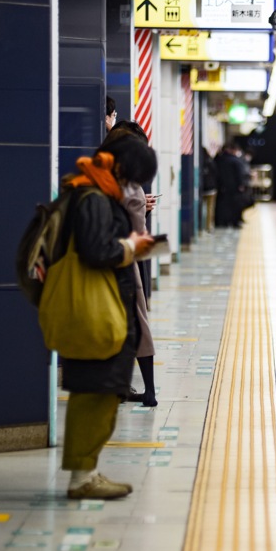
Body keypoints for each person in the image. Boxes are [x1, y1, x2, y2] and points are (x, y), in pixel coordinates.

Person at [58, 133, 157, 499]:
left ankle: (87, 471)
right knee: (93, 393)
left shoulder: (94, 191)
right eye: (133, 177)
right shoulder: (93, 198)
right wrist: (132, 246)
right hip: (94, 306)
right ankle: (82, 478)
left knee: (98, 392)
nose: (134, 186)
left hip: (101, 303)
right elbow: (97, 250)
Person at [105, 120, 158, 407]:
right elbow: (139, 235)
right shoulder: (132, 186)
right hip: (124, 265)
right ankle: (149, 391)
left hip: (95, 263)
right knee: (138, 323)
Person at [214, 138, 247, 228]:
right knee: (235, 205)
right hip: (234, 187)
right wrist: (241, 185)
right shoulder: (235, 160)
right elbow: (239, 174)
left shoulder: (219, 159)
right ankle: (234, 222)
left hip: (221, 186)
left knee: (223, 205)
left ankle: (222, 222)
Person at [200, 146, 218, 233]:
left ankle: (200, 226)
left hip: (202, 189)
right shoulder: (211, 161)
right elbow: (216, 173)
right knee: (210, 208)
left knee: (201, 207)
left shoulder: (199, 162)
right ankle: (208, 226)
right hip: (211, 188)